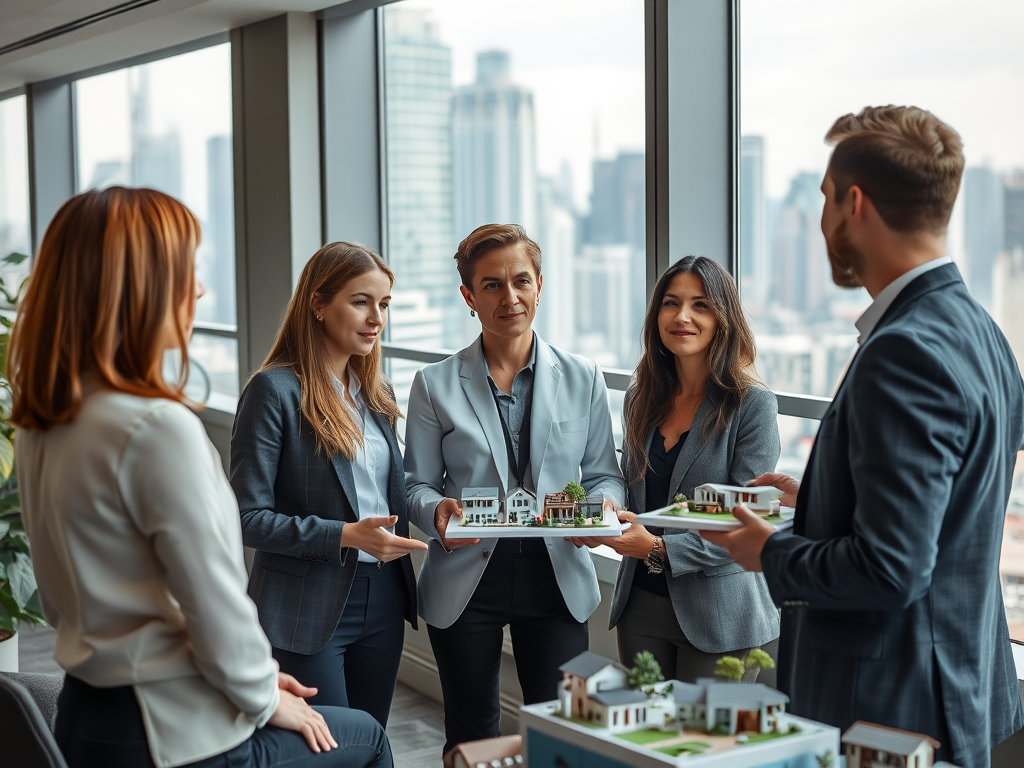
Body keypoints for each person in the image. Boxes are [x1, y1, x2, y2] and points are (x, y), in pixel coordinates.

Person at [10, 187, 391, 768]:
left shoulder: (44, 422)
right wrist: (263, 695)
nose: (199, 289)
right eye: (185, 270)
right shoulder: (156, 428)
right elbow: (214, 599)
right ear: (136, 287)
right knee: (366, 737)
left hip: (91, 720)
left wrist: (256, 683)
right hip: (176, 731)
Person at [704, 106, 1024, 768]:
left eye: (824, 198)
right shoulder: (985, 333)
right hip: (951, 691)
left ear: (854, 203)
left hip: (887, 708)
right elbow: (954, 507)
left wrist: (771, 552)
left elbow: (892, 569)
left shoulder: (904, 351)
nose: (822, 220)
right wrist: (821, 501)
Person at [404, 223, 626, 752]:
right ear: (468, 297)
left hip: (558, 577)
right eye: (492, 285)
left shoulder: (584, 377)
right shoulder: (433, 385)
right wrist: (437, 512)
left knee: (560, 735)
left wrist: (602, 510)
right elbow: (414, 485)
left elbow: (603, 473)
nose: (511, 298)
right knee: (471, 731)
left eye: (521, 281)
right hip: (466, 579)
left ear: (540, 285)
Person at [230, 243, 427, 728]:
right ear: (317, 304)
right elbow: (246, 519)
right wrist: (344, 535)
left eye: (383, 305)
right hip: (305, 603)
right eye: (361, 301)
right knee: (327, 746)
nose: (376, 318)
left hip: (382, 594)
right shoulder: (273, 390)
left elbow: (385, 491)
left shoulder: (376, 392)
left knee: (370, 737)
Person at [570, 257, 780, 683]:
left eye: (700, 305)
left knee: (707, 746)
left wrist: (659, 550)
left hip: (719, 612)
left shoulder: (752, 405)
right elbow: (635, 495)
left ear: (724, 318)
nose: (682, 316)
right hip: (640, 606)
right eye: (671, 303)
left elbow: (747, 522)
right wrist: (599, 518)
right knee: (648, 740)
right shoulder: (640, 398)